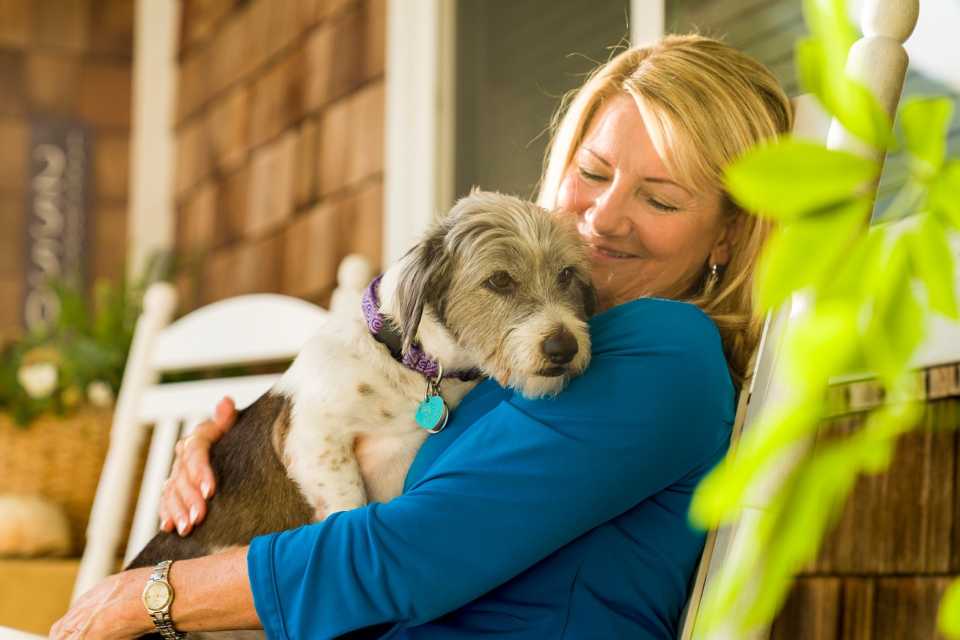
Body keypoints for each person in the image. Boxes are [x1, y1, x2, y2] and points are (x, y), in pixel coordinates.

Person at [52, 34, 792, 639]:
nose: (603, 218)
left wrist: (150, 594)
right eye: (592, 171)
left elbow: (407, 555)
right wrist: (238, 453)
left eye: (660, 197)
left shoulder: (664, 351)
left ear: (729, 231)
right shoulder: (523, 356)